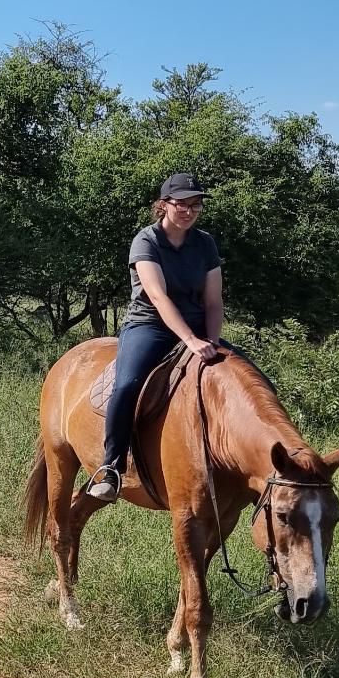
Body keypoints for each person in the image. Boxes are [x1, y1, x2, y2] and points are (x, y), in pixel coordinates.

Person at [86, 172, 224, 501]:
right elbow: (159, 299)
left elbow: (214, 301)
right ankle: (111, 467)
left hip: (198, 329)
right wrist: (191, 340)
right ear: (163, 205)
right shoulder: (146, 241)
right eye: (182, 204)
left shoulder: (205, 243)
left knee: (246, 377)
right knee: (128, 383)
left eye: (196, 205)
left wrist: (214, 342)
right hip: (149, 326)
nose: (189, 211)